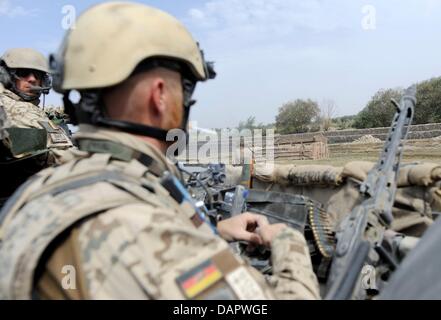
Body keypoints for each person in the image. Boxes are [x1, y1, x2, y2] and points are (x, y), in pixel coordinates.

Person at [0, 2, 320, 300]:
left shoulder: (43, 190)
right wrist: (285, 240)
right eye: (186, 89)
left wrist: (215, 232)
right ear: (160, 95)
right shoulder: (137, 227)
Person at [0, 48, 73, 206]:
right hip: (18, 206)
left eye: (37, 75)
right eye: (24, 73)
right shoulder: (10, 107)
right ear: (6, 77)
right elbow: (60, 155)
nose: (32, 79)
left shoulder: (27, 108)